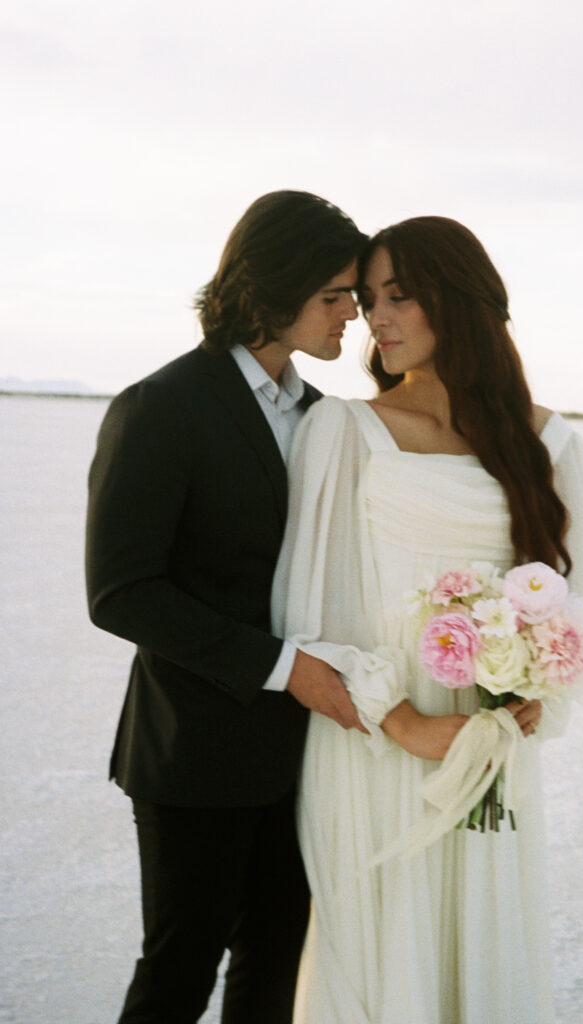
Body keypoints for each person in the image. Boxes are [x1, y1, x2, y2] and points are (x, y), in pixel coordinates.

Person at [272, 216, 583, 1024]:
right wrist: (402, 720)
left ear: (458, 304)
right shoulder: (346, 431)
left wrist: (537, 697)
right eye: (366, 297)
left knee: (480, 955)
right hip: (376, 745)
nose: (374, 317)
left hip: (489, 751)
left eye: (399, 296)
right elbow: (308, 613)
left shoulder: (551, 443)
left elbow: (579, 607)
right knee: (382, 955)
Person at [85, 190, 368, 1024]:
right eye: (334, 295)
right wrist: (286, 669)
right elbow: (121, 591)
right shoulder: (161, 407)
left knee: (274, 964)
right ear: (274, 288)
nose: (351, 314)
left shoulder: (323, 419)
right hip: (192, 752)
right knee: (179, 971)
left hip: (301, 759)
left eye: (352, 295)